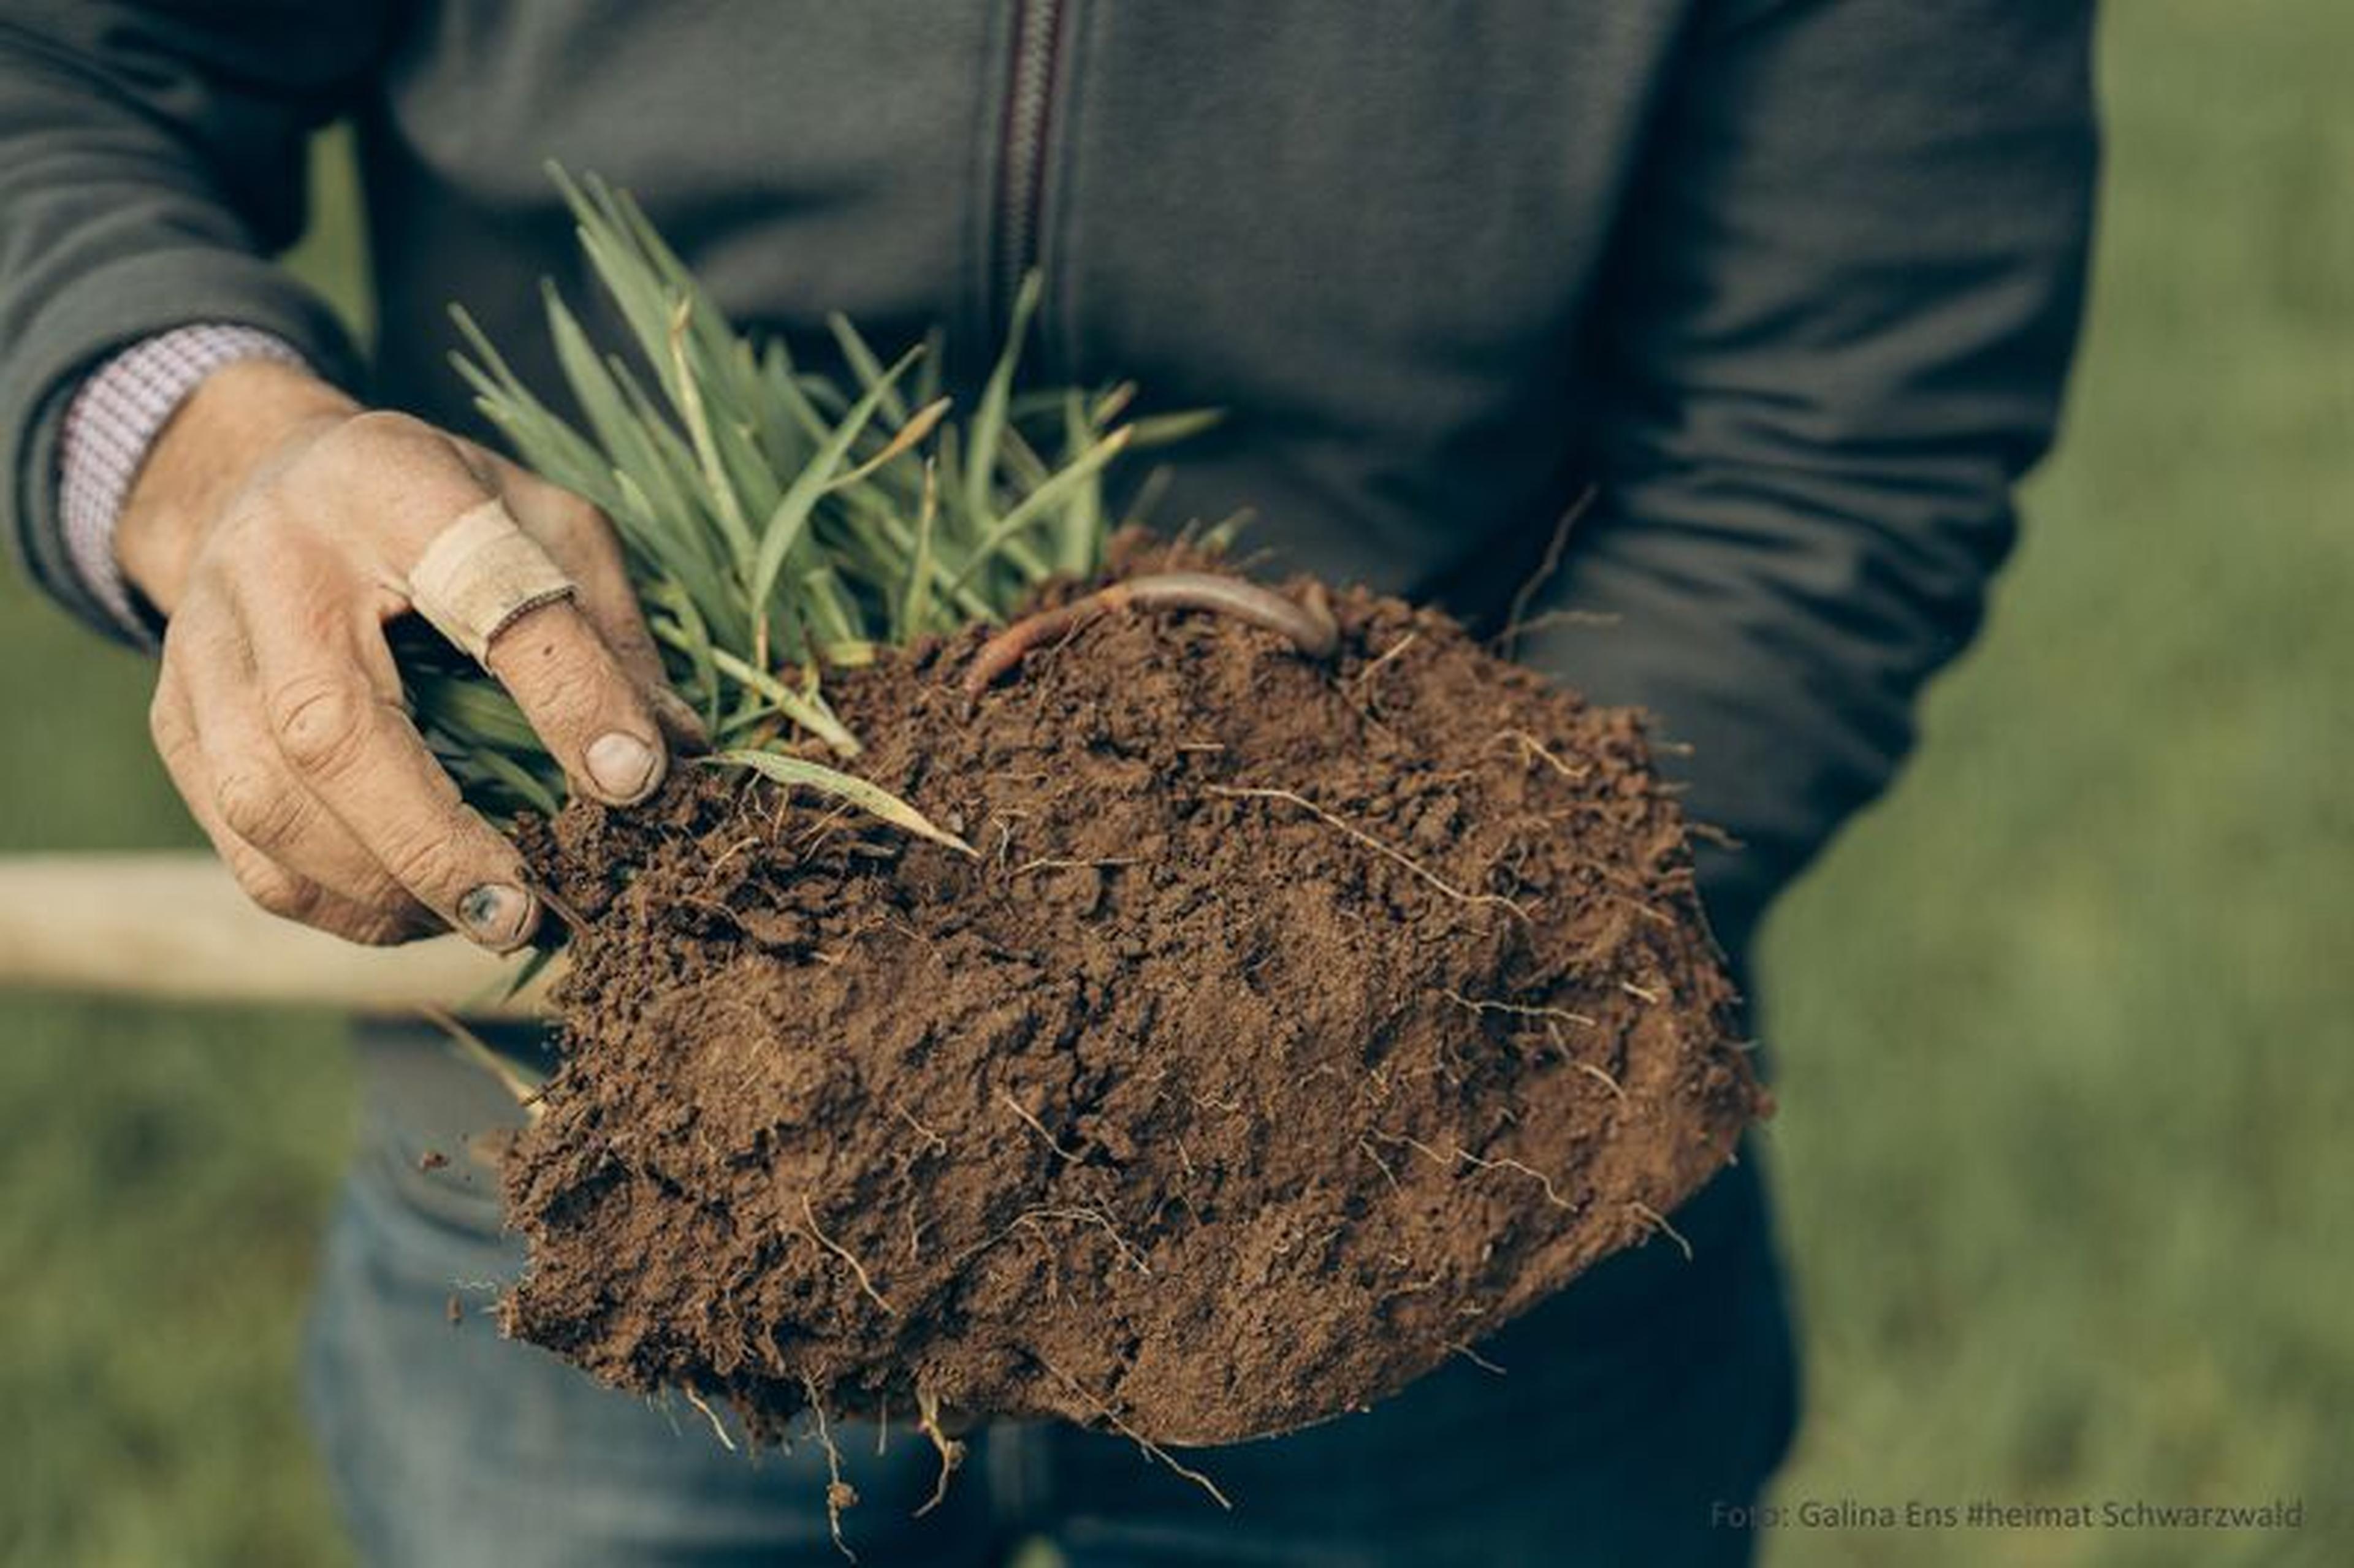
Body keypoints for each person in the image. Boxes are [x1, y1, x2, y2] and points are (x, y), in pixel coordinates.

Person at [0, 3, 2097, 1563]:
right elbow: (57, 73)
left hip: (1457, 1172)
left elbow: (1846, 422)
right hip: (656, 1150)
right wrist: (210, 451)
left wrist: (1475, 969)